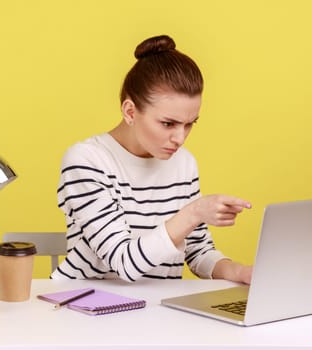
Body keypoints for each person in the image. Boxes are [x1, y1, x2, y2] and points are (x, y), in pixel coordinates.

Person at [51, 34, 253, 284]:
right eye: (168, 123)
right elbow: (124, 263)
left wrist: (242, 273)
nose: (180, 138)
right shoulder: (87, 160)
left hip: (156, 311)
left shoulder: (184, 163)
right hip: (85, 308)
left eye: (190, 124)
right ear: (130, 111)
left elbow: (198, 252)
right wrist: (195, 213)